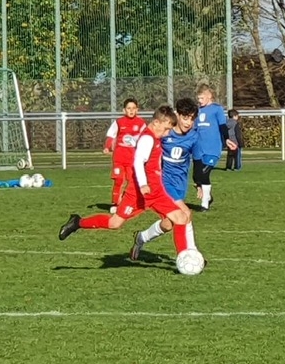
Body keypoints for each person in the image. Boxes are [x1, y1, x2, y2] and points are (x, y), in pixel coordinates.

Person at [58, 98, 196, 237]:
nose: (167, 133)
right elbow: (138, 162)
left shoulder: (152, 133)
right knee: (114, 223)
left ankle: (184, 251)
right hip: (138, 192)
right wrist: (143, 184)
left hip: (155, 191)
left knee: (179, 218)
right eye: (166, 129)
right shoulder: (147, 138)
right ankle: (78, 222)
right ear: (156, 122)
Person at [129, 105, 200, 261]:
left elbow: (197, 159)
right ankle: (191, 253)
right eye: (185, 118)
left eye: (192, 119)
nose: (188, 122)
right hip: (163, 183)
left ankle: (141, 237)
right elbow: (144, 146)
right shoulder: (164, 132)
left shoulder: (193, 136)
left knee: (168, 224)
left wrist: (200, 182)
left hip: (180, 183)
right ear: (177, 115)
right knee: (186, 213)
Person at [192, 84, 235, 210]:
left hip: (212, 148)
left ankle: (205, 203)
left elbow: (222, 125)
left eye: (201, 98)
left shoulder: (217, 109)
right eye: (198, 99)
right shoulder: (197, 111)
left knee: (204, 172)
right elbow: (193, 128)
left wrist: (227, 139)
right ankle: (207, 195)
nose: (199, 101)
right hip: (198, 148)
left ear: (209, 96)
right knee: (197, 177)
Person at [103, 99, 146, 215]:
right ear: (124, 110)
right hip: (119, 158)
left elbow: (146, 137)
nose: (131, 111)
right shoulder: (119, 122)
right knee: (119, 180)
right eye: (128, 108)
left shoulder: (141, 123)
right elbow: (111, 135)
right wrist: (107, 147)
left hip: (133, 159)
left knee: (132, 182)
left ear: (137, 110)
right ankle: (115, 203)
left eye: (133, 108)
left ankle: (129, 201)